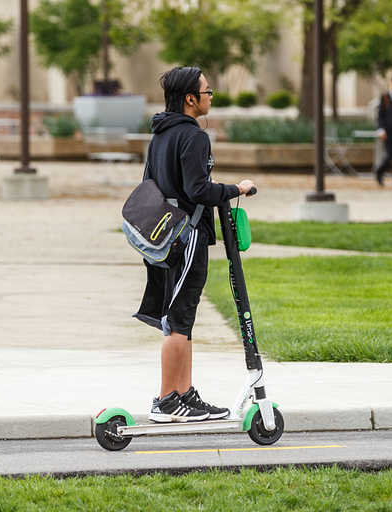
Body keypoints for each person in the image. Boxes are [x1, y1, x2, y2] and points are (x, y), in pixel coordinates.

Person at [134, 66, 255, 423]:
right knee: (178, 318)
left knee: (181, 316)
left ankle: (184, 395)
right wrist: (237, 190)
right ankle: (167, 400)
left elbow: (150, 186)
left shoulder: (160, 135)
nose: (210, 96)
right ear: (190, 98)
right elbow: (198, 190)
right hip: (187, 235)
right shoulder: (194, 136)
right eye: (207, 91)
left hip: (164, 235)